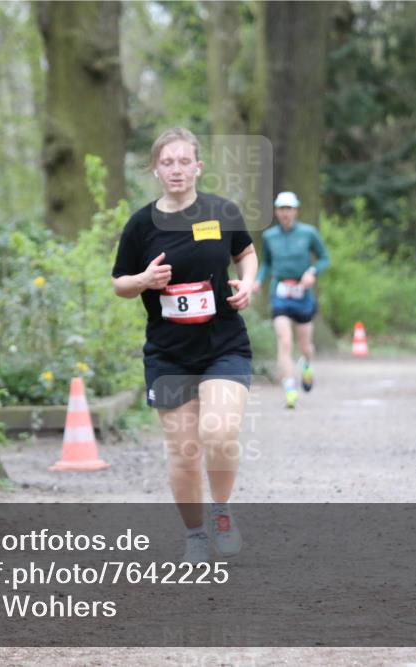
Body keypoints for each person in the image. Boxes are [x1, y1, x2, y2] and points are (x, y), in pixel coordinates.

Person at [111, 127, 258, 563]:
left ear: (198, 166)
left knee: (219, 431)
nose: (176, 169)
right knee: (184, 453)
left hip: (223, 344)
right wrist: (143, 281)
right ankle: (195, 534)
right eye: (167, 162)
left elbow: (246, 253)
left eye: (183, 161)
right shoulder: (141, 223)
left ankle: (222, 511)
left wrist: (248, 284)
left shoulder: (221, 211)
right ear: (156, 169)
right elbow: (120, 283)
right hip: (169, 353)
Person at [253, 191, 330, 409]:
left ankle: (306, 365)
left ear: (296, 210)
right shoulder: (269, 237)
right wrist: (258, 280)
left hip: (303, 294)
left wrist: (312, 272)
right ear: (276, 211)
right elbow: (266, 263)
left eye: (289, 209)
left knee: (305, 345)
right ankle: (289, 388)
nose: (285, 213)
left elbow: (325, 258)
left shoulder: (309, 233)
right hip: (280, 293)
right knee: (285, 341)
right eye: (281, 209)